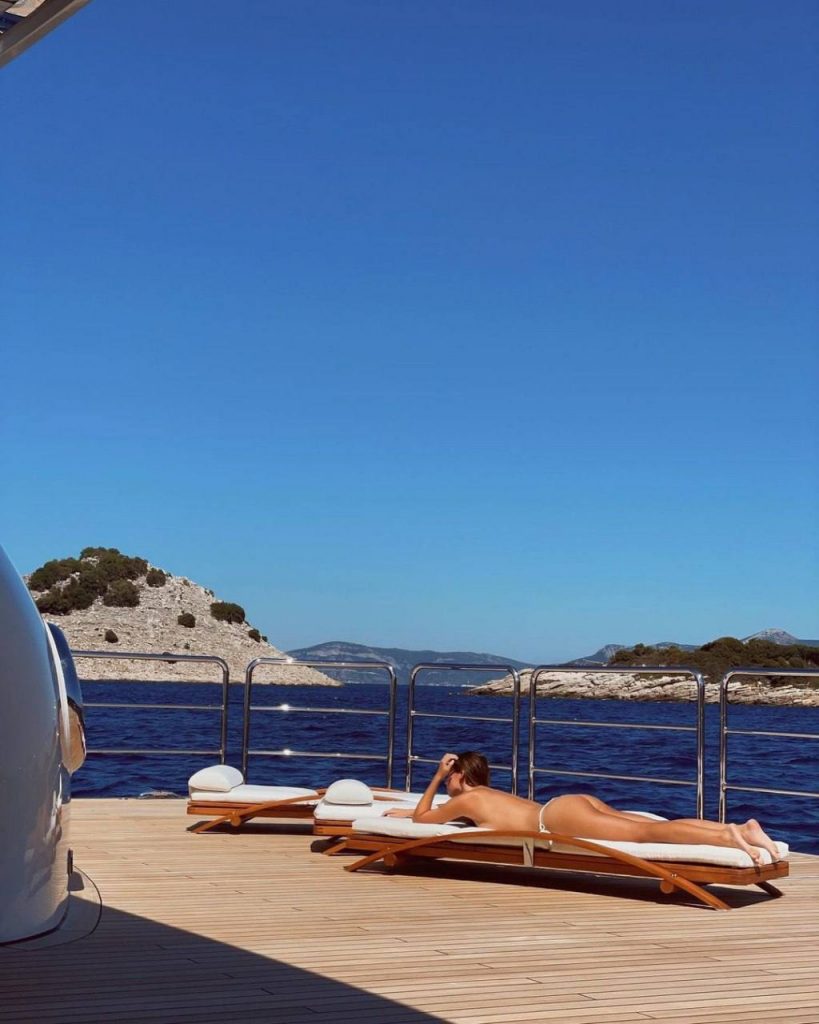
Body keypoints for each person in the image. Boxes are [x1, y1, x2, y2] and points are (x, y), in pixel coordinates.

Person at [385, 751, 782, 865]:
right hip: (568, 804)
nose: (447, 784)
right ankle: (740, 829)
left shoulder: (466, 799)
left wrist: (436, 776)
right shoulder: (486, 795)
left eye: (450, 779)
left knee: (645, 833)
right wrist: (407, 812)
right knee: (648, 824)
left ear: (459, 776)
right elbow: (421, 815)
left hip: (557, 818)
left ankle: (728, 838)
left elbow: (423, 818)